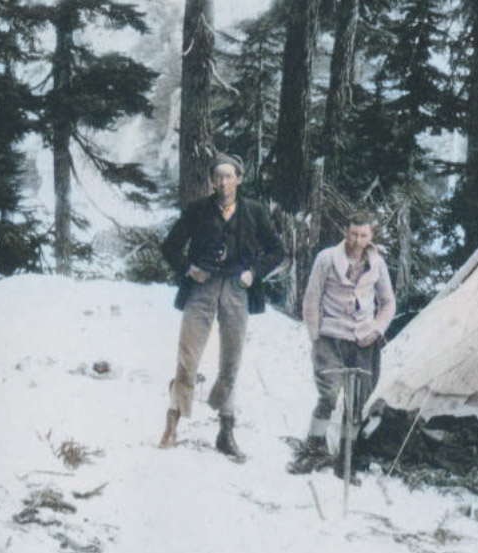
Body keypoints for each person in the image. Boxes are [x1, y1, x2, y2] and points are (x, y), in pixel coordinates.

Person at [157, 154, 285, 461]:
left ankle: (226, 431)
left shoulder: (254, 211)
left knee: (231, 360)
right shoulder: (198, 211)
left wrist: (253, 272)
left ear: (239, 179)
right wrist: (189, 269)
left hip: (237, 292)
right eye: (218, 177)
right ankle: (172, 424)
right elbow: (169, 246)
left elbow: (277, 251)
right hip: (201, 290)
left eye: (229, 176)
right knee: (187, 357)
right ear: (212, 181)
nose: (224, 182)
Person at [298, 214, 395, 477]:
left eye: (363, 236)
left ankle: (346, 459)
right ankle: (313, 449)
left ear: (371, 236)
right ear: (345, 231)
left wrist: (376, 329)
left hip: (364, 341)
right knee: (329, 395)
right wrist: (315, 335)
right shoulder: (327, 258)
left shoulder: (377, 263)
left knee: (357, 402)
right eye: (353, 234)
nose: (357, 241)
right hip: (331, 338)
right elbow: (311, 299)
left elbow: (388, 303)